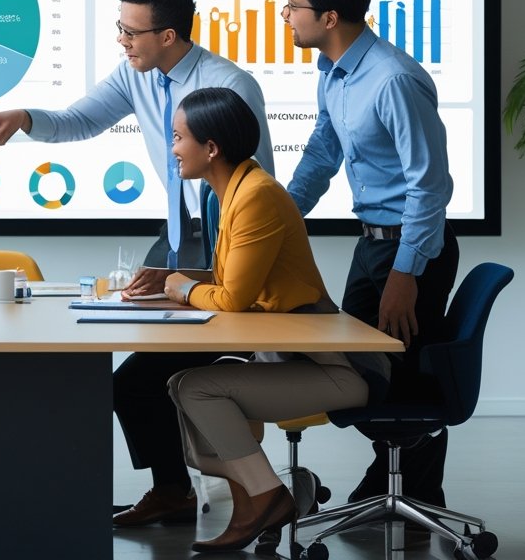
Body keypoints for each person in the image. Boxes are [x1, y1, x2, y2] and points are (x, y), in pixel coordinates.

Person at [0, 0, 274, 523]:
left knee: (142, 380)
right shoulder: (136, 74)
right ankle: (176, 490)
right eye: (120, 28)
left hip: (223, 241)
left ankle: (237, 490)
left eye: (131, 32)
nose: (121, 40)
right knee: (142, 374)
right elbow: (80, 120)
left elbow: (256, 184)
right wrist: (26, 118)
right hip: (175, 235)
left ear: (169, 36)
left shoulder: (228, 85)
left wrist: (209, 272)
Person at [155, 87, 386, 553]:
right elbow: (233, 281)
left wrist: (183, 288)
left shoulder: (256, 195)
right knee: (181, 385)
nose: (172, 148)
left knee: (198, 388)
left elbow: (233, 297)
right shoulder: (232, 190)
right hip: (293, 357)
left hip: (337, 371)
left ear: (211, 148)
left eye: (178, 138)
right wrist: (173, 281)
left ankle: (268, 498)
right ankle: (258, 499)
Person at [283, 0, 458, 509]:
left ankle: (413, 498)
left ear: (330, 17)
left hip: (411, 250)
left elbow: (428, 185)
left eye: (293, 5)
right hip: (371, 244)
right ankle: (390, 482)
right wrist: (276, 219)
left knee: (401, 380)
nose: (285, 15)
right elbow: (321, 155)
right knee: (354, 369)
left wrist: (406, 273)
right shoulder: (333, 72)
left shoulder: (392, 79)